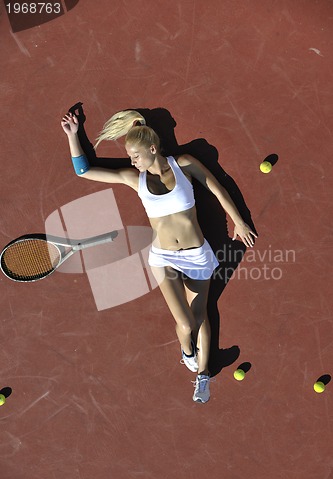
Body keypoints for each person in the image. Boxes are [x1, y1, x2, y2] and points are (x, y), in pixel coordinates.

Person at [61, 110, 257, 403]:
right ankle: (187, 350)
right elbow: (84, 171)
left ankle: (203, 376)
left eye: (135, 156)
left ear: (152, 149)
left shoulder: (185, 164)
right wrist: (73, 136)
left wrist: (238, 221)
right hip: (164, 257)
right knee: (187, 324)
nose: (132, 161)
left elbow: (216, 188)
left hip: (197, 255)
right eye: (130, 157)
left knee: (201, 314)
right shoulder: (133, 179)